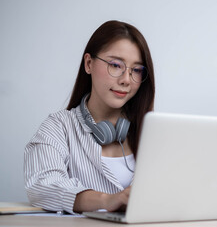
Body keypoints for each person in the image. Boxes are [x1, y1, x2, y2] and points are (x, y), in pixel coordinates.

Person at [24, 20, 155, 214]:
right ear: (88, 63)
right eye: (116, 65)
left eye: (136, 70)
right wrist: (107, 200)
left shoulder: (154, 132)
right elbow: (42, 186)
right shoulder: (58, 127)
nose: (126, 80)